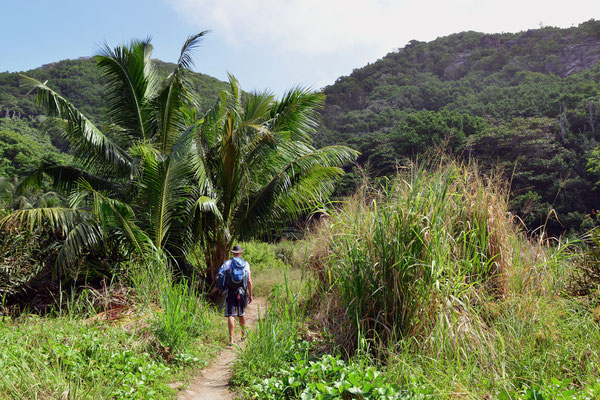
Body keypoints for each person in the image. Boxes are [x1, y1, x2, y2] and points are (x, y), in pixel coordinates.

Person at [219, 245, 253, 345]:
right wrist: (250, 294)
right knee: (241, 313)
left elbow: (220, 276)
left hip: (230, 291)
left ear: (233, 253)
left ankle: (231, 340)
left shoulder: (227, 263)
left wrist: (222, 288)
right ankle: (243, 336)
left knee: (231, 314)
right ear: (241, 253)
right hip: (242, 291)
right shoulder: (245, 264)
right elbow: (249, 281)